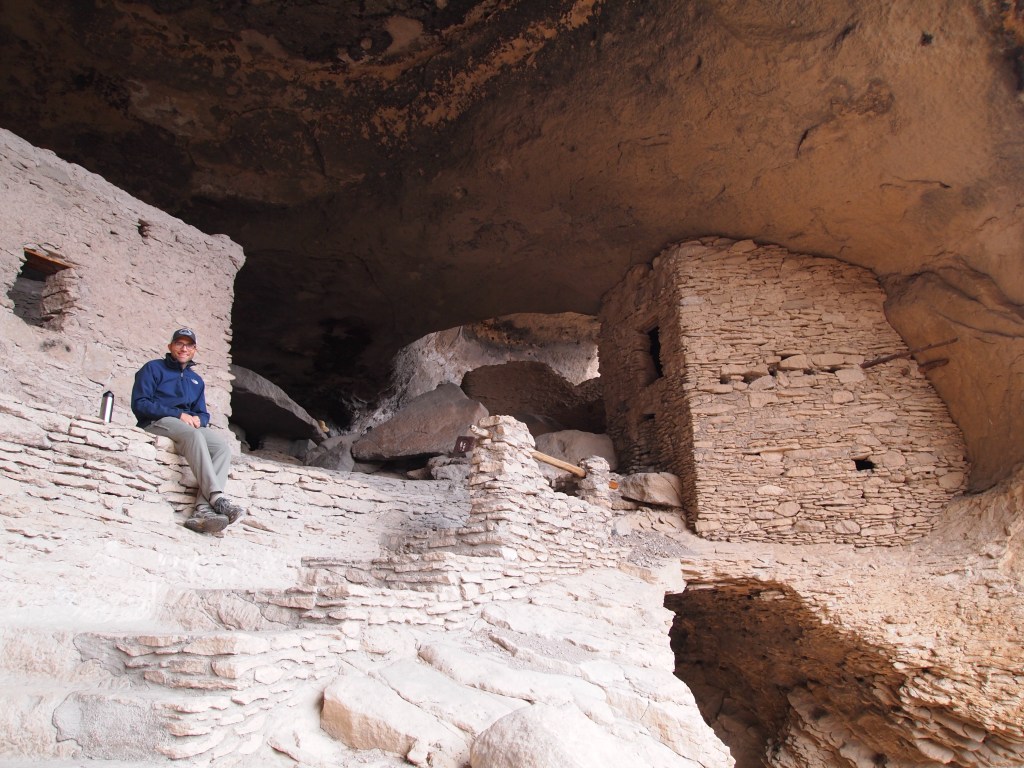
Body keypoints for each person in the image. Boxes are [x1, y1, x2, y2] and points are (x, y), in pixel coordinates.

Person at [131, 327, 247, 534]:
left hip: (183, 427)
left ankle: (203, 510)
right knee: (193, 435)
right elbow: (140, 403)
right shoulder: (153, 368)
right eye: (179, 344)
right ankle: (216, 497)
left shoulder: (196, 381)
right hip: (155, 422)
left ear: (194, 350)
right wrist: (178, 415)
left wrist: (197, 418)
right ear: (171, 346)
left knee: (221, 447)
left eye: (189, 345)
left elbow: (203, 414)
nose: (184, 348)